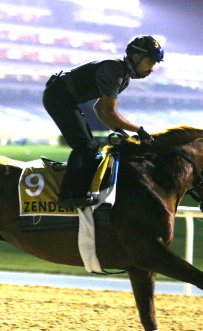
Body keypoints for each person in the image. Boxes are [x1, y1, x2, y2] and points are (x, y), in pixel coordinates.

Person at [43, 35, 164, 208]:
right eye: (150, 62)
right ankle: (69, 196)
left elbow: (100, 110)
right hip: (58, 95)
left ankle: (76, 186)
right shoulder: (114, 70)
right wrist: (139, 130)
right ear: (136, 57)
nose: (151, 69)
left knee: (91, 147)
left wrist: (120, 133)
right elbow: (109, 112)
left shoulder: (124, 78)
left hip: (64, 97)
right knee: (84, 146)